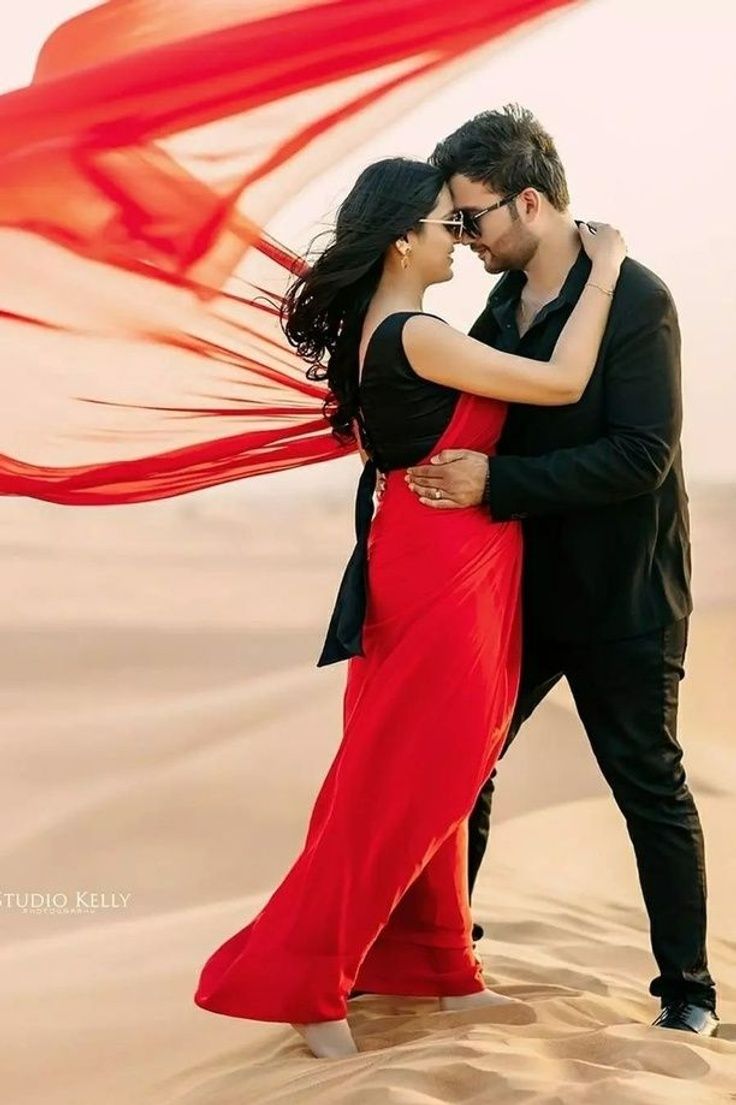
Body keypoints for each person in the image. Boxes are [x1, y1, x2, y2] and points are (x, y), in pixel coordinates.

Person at [193, 155, 626, 1058]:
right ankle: (307, 978)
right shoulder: (414, 333)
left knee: (438, 768)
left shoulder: (383, 332)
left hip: (441, 555)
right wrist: (607, 268)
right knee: (410, 776)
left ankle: (437, 965)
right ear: (402, 241)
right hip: (440, 566)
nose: (460, 240)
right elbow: (562, 383)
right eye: (446, 224)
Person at [404, 104, 719, 1037]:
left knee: (647, 781)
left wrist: (498, 482)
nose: (464, 239)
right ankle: (448, 946)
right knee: (467, 763)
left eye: (472, 219)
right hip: (529, 591)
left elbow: (642, 455)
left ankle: (690, 992)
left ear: (529, 202)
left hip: (628, 595)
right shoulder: (501, 307)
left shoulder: (640, 298)